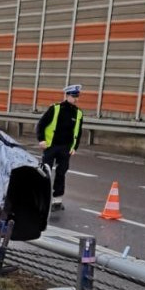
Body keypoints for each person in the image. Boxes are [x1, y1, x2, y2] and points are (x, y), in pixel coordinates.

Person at [36, 84, 84, 212]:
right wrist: (41, 139)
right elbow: (41, 124)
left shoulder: (78, 113)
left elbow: (78, 132)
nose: (76, 99)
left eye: (77, 97)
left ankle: (57, 201)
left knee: (61, 173)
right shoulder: (55, 108)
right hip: (51, 146)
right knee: (45, 173)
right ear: (67, 96)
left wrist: (75, 147)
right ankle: (41, 200)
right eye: (74, 96)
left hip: (65, 148)